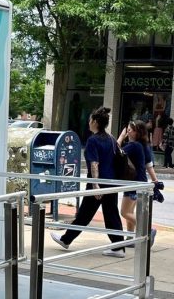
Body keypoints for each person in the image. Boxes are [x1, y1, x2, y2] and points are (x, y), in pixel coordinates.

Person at [51, 107, 125, 257]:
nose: (88, 123)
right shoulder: (111, 138)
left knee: (85, 214)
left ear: (96, 122)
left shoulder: (93, 140)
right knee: (111, 214)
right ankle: (119, 246)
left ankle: (66, 240)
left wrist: (95, 185)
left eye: (90, 120)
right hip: (111, 182)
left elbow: (94, 164)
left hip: (97, 183)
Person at [117, 120, 157, 248]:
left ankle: (148, 229)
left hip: (133, 183)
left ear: (137, 132)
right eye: (128, 128)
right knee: (130, 211)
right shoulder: (143, 145)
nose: (128, 131)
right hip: (139, 182)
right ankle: (130, 237)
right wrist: (155, 181)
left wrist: (121, 137)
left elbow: (116, 151)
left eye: (131, 129)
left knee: (124, 212)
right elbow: (149, 165)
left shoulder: (133, 146)